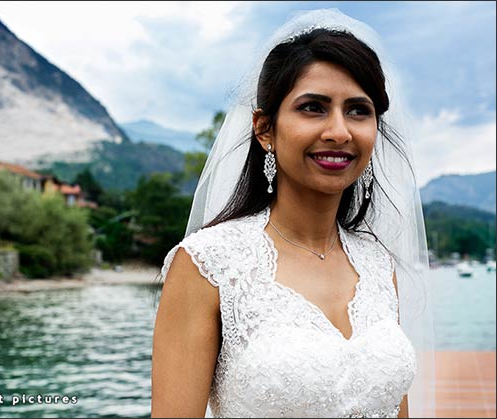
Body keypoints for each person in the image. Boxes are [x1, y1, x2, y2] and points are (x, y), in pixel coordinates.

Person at [151, 8, 435, 418]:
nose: (339, 131)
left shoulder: (378, 265)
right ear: (265, 129)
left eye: (358, 110)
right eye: (313, 107)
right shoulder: (208, 265)